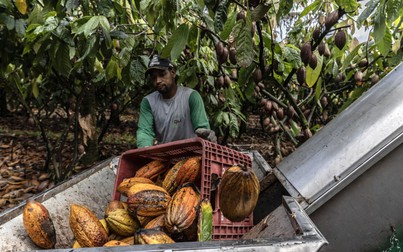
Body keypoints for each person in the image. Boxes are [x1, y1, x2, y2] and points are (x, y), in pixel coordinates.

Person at [136, 55, 217, 148]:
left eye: (162, 74)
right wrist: (145, 148)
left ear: (173, 73)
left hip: (192, 155)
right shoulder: (148, 102)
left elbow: (202, 127)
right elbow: (145, 131)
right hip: (165, 156)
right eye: (154, 77)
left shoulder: (191, 97)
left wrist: (204, 134)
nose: (157, 81)